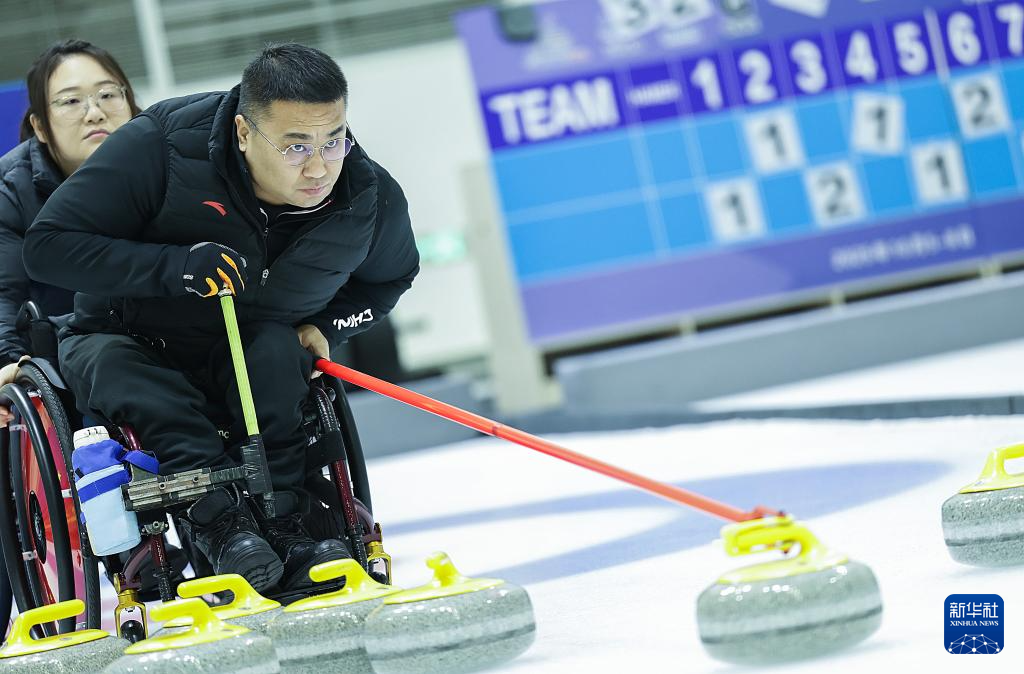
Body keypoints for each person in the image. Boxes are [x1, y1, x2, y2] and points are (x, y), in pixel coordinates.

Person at [23, 43, 419, 593]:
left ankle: (287, 524)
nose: (319, 166)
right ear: (243, 132)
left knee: (278, 353)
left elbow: (390, 280)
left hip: (249, 346)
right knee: (127, 371)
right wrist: (175, 266)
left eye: (333, 140)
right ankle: (219, 525)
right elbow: (48, 247)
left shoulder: (367, 197)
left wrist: (329, 326)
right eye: (296, 146)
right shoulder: (161, 145)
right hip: (128, 336)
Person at [0, 39, 140, 427]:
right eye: (71, 101)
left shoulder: (173, 164)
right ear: (40, 127)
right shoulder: (11, 191)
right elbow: (3, 294)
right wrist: (9, 362)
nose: (95, 113)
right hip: (64, 356)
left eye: (108, 94)